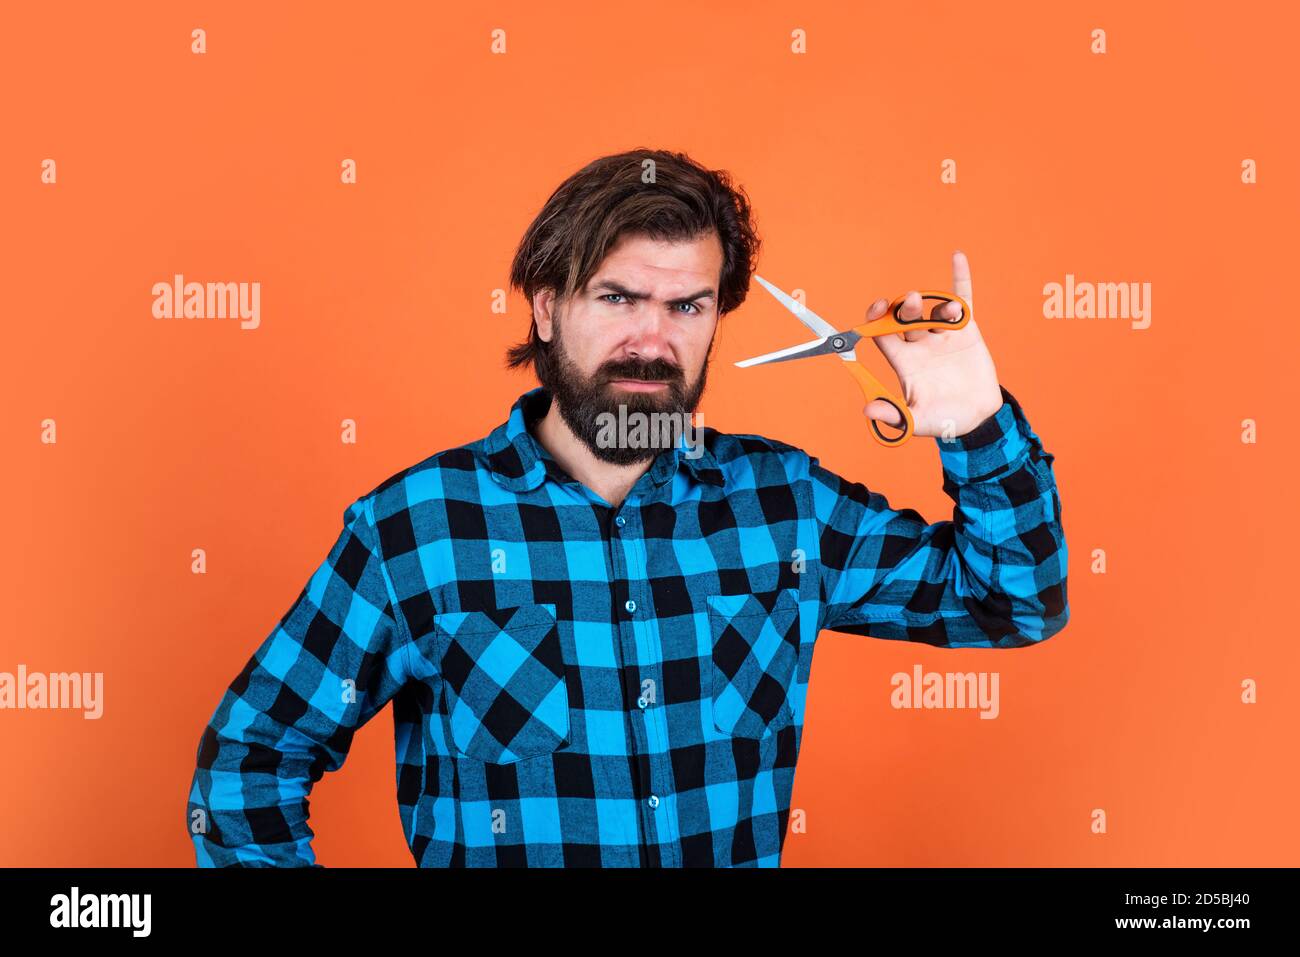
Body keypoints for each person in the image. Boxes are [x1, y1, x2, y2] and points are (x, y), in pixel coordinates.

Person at [186, 148, 1069, 867]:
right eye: (618, 297)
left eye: (686, 304)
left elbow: (1016, 601)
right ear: (544, 307)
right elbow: (247, 767)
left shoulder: (784, 507)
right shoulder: (416, 529)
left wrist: (977, 426)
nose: (653, 339)